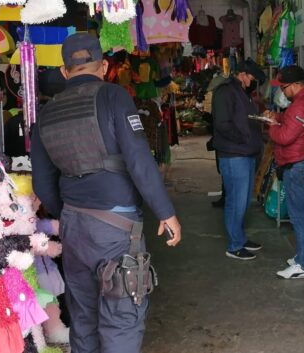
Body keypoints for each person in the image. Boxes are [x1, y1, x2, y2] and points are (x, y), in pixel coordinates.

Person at [31, 33, 182, 353]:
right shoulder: (113, 97)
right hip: (116, 228)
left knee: (83, 317)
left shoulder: (46, 113)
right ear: (104, 67)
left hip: (73, 224)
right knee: (121, 317)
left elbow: (42, 186)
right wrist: (165, 211)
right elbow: (139, 159)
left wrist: (72, 214)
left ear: (64, 70)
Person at [263, 65, 304, 279]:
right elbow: (294, 124)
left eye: (284, 87)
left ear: (296, 85)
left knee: (299, 216)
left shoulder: (301, 105)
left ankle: (303, 264)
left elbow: (284, 137)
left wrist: (272, 125)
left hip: (297, 165)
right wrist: (278, 118)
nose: (282, 91)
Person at [212, 59, 265, 260]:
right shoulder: (225, 91)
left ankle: (240, 238)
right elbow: (223, 124)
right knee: (236, 201)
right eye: (251, 78)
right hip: (234, 155)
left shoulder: (242, 93)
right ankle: (234, 246)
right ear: (242, 74)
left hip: (246, 153)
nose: (252, 82)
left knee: (243, 202)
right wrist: (244, 138)